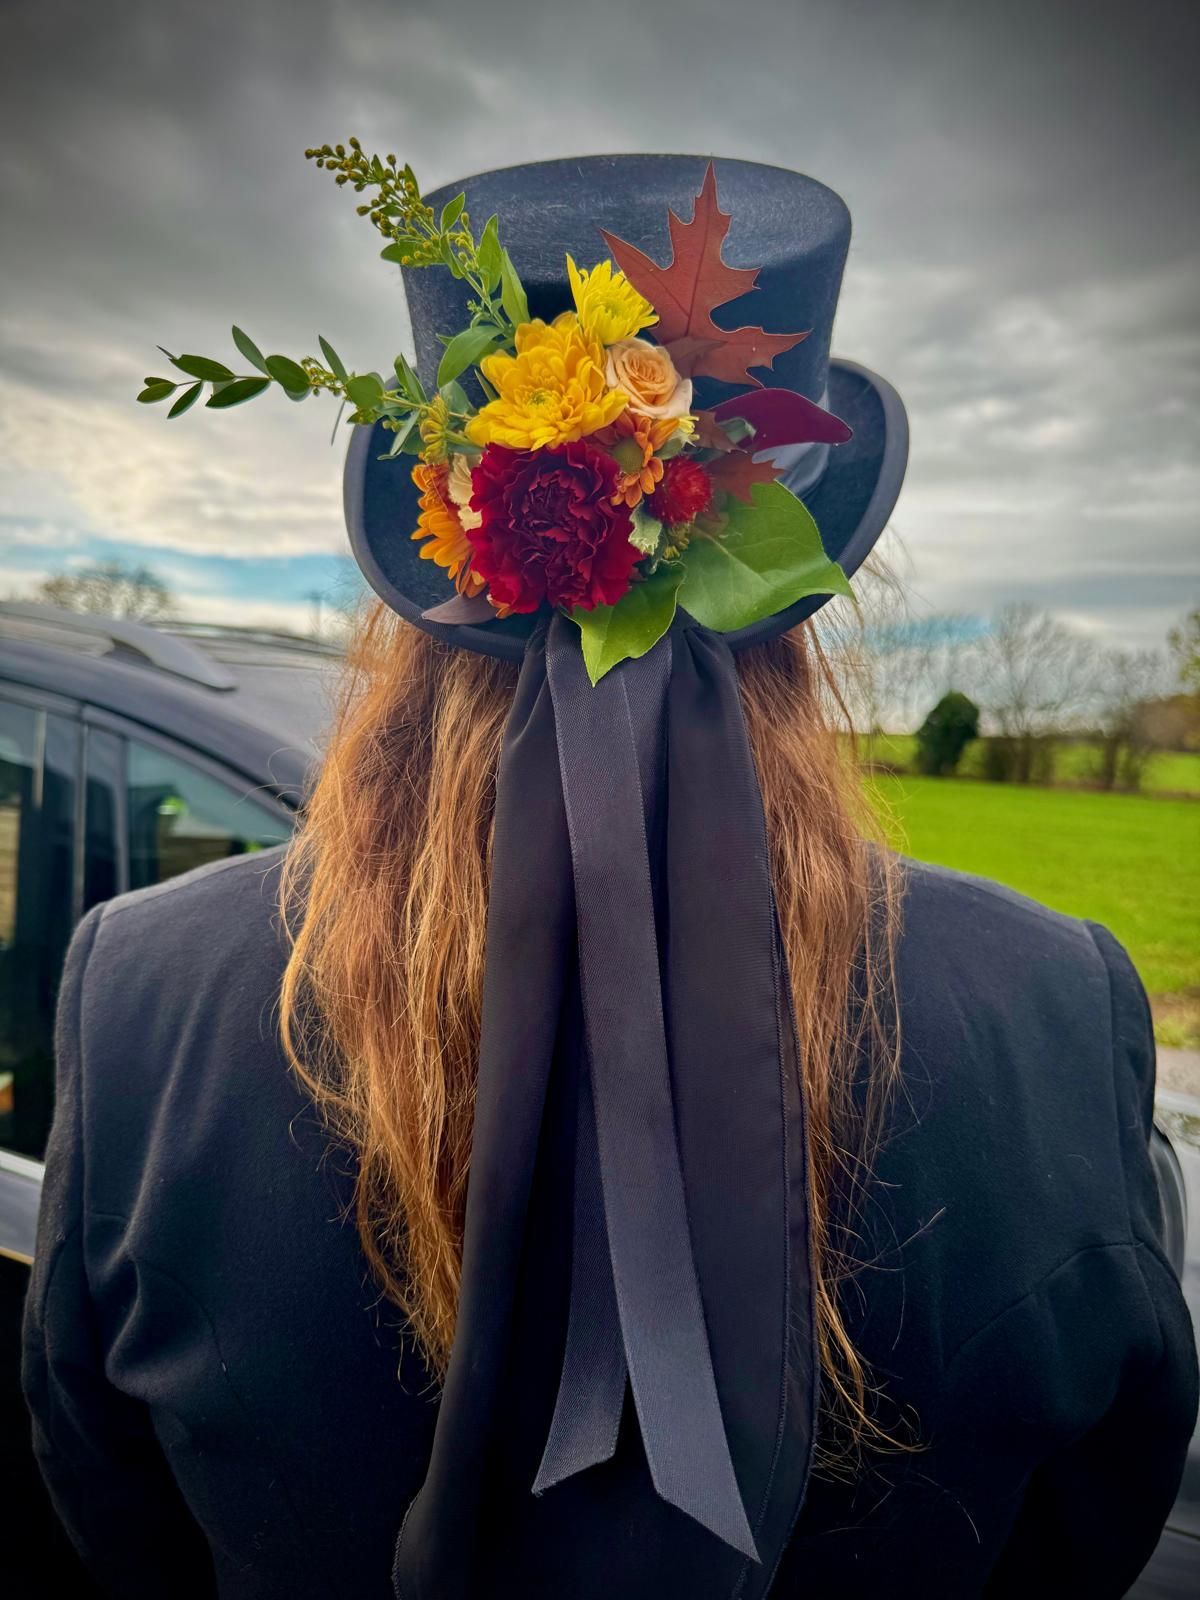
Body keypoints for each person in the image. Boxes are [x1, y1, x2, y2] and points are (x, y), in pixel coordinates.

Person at [20, 155, 1198, 1600]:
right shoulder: (1050, 1007)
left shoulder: (141, 996)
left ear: (432, 567)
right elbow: (1091, 1527)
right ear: (798, 591)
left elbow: (115, 1520)